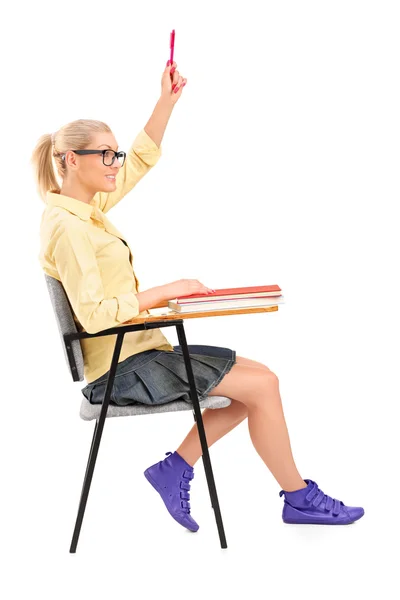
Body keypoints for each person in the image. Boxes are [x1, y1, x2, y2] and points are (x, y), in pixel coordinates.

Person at [32, 60, 364, 534]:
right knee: (262, 388)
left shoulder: (85, 210)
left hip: (142, 350)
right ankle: (297, 498)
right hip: (121, 368)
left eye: (115, 154)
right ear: (70, 160)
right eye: (104, 155)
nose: (115, 164)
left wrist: (166, 101)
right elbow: (94, 316)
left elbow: (141, 161)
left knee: (263, 381)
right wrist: (166, 293)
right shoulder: (69, 227)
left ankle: (177, 468)